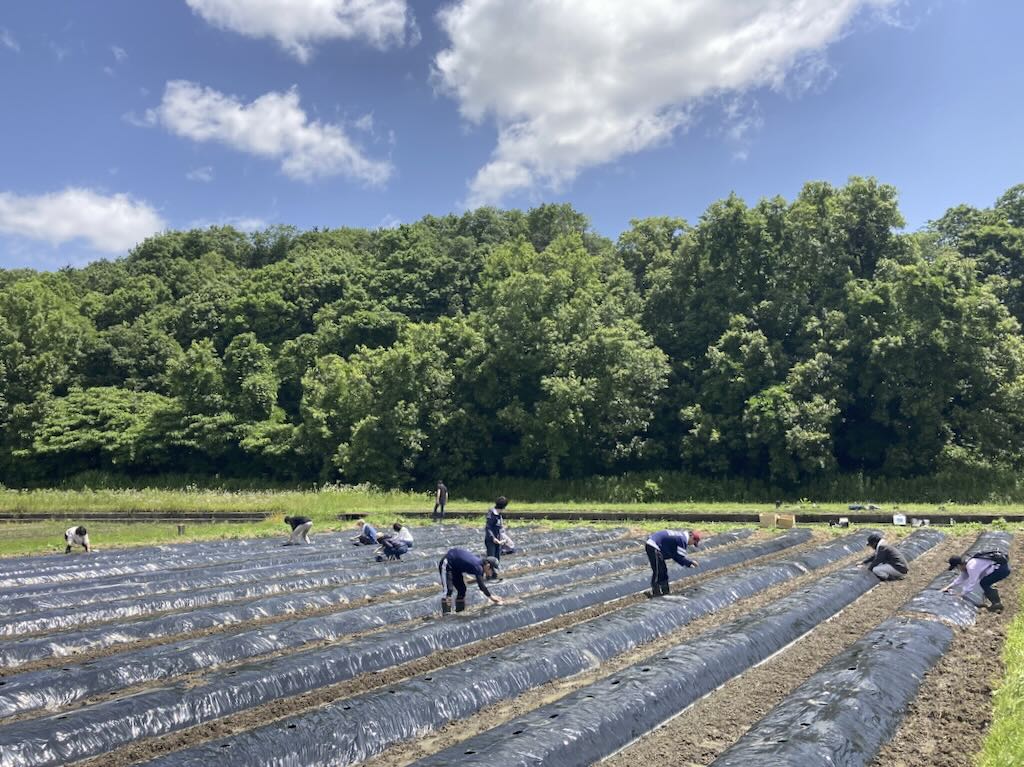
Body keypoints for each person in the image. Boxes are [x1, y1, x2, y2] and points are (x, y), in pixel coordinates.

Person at [438, 547, 504, 613]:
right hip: (447, 563)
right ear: (488, 566)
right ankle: (447, 617)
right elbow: (481, 586)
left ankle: (459, 612)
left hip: (456, 568)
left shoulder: (480, 565)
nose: (492, 573)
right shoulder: (478, 567)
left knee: (462, 590)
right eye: (493, 570)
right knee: (448, 590)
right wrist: (492, 597)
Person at [943, 550, 1011, 612]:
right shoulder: (967, 565)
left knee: (984, 583)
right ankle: (996, 603)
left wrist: (960, 595)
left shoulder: (971, 567)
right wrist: (948, 587)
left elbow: (971, 584)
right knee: (984, 583)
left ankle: (996, 603)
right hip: (999, 568)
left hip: (1001, 569)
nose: (958, 570)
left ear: (958, 565)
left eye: (956, 568)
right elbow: (961, 578)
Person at [645, 529, 702, 596]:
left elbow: (675, 556)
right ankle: (656, 592)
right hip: (653, 545)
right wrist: (690, 562)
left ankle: (665, 591)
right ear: (692, 537)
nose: (691, 544)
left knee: (663, 570)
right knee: (658, 570)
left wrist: (688, 563)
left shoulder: (681, 536)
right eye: (693, 543)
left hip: (656, 545)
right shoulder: (683, 540)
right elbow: (679, 557)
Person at [484, 496, 508, 567]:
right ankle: (490, 574)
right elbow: (488, 528)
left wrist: (504, 538)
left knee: (497, 559)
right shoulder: (492, 514)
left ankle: (495, 573)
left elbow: (501, 528)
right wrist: (493, 538)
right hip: (491, 541)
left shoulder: (499, 515)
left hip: (498, 539)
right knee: (491, 560)